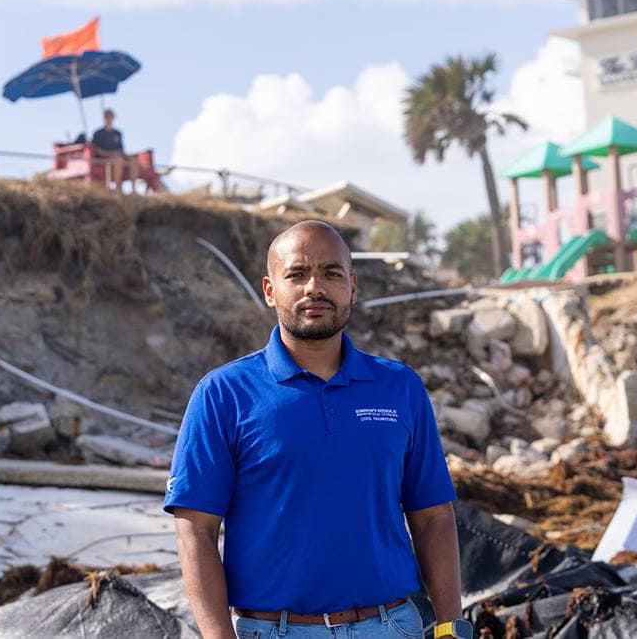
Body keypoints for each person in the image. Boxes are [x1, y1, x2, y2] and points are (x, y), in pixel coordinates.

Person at [164, 220, 472, 639]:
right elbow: (195, 528)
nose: (315, 287)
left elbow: (433, 515)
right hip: (274, 631)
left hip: (394, 626)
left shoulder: (400, 388)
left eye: (331, 273)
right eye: (297, 274)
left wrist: (451, 625)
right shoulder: (223, 394)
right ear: (270, 289)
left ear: (352, 286)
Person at [90, 108, 138, 191]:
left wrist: (128, 156)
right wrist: (110, 154)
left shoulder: (118, 133)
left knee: (133, 160)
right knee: (118, 160)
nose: (109, 119)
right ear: (103, 118)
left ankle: (134, 189)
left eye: (110, 117)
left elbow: (121, 150)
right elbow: (96, 150)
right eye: (107, 117)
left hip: (118, 157)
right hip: (102, 159)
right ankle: (118, 188)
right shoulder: (98, 133)